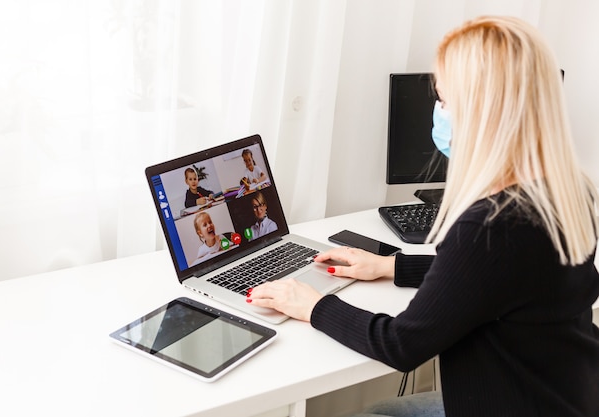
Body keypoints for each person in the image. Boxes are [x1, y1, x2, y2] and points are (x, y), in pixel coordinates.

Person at [247, 16, 599, 417]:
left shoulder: (489, 226)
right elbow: (497, 277)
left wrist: (312, 305)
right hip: (563, 396)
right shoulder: (571, 190)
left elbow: (401, 344)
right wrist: (391, 265)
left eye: (445, 100)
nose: (438, 110)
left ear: (482, 113)